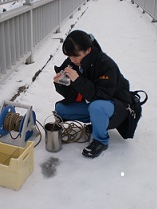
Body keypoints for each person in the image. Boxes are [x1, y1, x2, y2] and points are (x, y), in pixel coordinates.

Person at [53, 30, 132, 158]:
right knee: (61, 109)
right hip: (92, 103)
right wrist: (60, 83)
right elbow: (71, 95)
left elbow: (102, 95)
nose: (72, 60)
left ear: (88, 50)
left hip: (116, 106)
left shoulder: (106, 65)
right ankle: (97, 123)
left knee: (97, 107)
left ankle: (101, 141)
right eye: (69, 56)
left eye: (75, 56)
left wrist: (78, 80)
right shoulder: (73, 61)